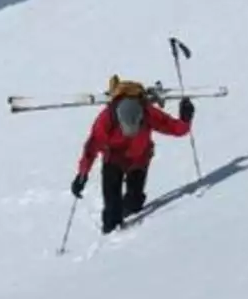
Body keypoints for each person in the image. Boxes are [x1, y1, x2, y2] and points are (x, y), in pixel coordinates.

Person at [70, 76, 195, 234]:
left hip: (139, 158)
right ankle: (110, 236)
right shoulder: (105, 120)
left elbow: (175, 128)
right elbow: (91, 148)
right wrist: (82, 175)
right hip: (113, 159)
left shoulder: (148, 112)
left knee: (134, 203)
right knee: (112, 210)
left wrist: (186, 118)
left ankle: (127, 212)